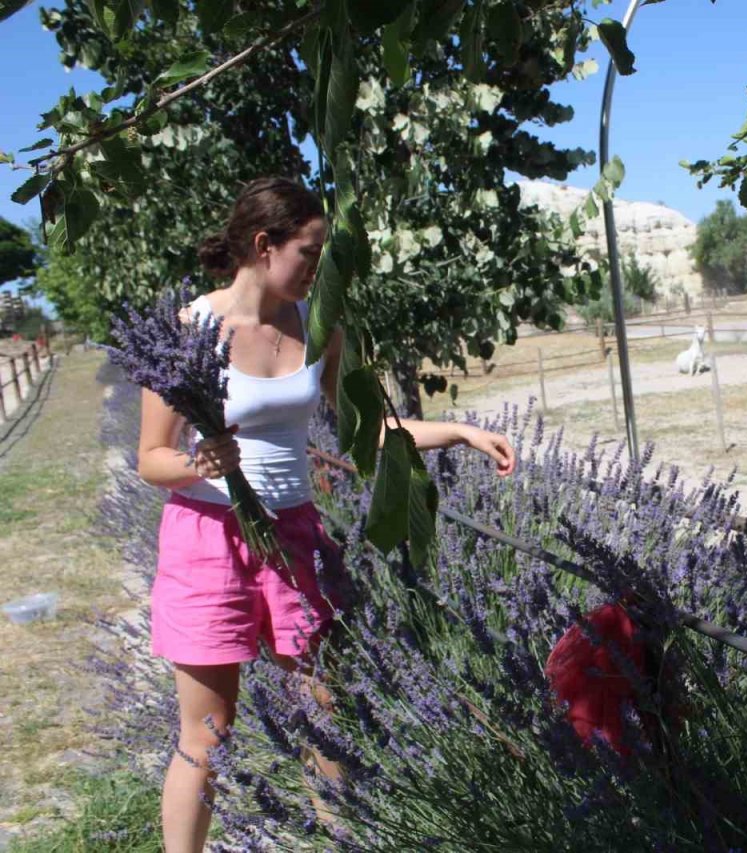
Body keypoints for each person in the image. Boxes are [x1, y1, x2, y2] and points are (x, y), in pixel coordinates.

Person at [135, 177, 516, 852]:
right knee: (207, 732)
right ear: (263, 244)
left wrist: (458, 430)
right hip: (206, 540)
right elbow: (151, 457)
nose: (318, 268)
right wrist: (202, 464)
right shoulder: (188, 330)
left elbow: (364, 430)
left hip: (293, 536)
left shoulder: (317, 326)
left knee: (323, 713)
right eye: (309, 252)